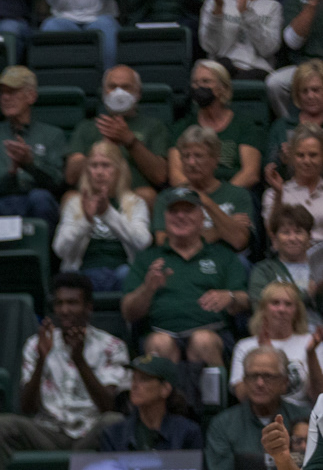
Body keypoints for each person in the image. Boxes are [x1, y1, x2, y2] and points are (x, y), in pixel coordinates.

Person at [0, 272, 129, 470]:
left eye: (72, 303)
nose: (64, 310)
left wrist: (79, 361)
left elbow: (109, 406)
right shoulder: (37, 344)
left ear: (88, 307)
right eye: (60, 303)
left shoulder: (112, 346)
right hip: (48, 433)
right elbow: (26, 408)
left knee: (114, 422)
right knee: (2, 425)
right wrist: (41, 360)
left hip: (89, 434)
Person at [123, 188, 249, 368]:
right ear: (165, 218)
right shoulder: (147, 258)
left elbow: (247, 300)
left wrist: (230, 296)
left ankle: (214, 396)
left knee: (203, 341)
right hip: (159, 333)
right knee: (160, 343)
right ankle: (162, 396)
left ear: (202, 218)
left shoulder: (224, 256)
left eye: (188, 211)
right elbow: (128, 311)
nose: (180, 216)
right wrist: (147, 289)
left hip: (213, 333)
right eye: (174, 211)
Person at [0, 65, 66, 227]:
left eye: (12, 92)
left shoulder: (53, 135)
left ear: (31, 97)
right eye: (2, 93)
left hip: (32, 202)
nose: (5, 98)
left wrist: (30, 164)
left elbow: (58, 182)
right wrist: (9, 174)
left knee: (41, 198)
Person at [206, 345, 310, 470]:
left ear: (284, 382)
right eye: (253, 376)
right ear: (245, 381)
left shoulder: (307, 420)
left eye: (268, 376)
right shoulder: (223, 425)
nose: (260, 383)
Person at [55, 140, 153, 292]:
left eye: (106, 165)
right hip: (82, 273)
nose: (99, 172)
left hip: (122, 272)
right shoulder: (75, 204)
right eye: (94, 166)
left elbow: (143, 243)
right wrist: (85, 221)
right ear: (88, 170)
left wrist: (108, 213)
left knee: (126, 275)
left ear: (119, 170)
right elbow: (60, 249)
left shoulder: (135, 203)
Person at [65, 66, 170, 206]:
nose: (118, 92)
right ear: (103, 93)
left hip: (132, 197)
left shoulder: (154, 127)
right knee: (70, 198)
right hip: (93, 197)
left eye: (126, 87)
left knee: (147, 196)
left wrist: (131, 142)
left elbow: (160, 177)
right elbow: (71, 177)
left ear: (138, 93)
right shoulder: (87, 127)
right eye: (112, 87)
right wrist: (103, 145)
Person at [156, 126, 255, 257]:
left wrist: (206, 201)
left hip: (225, 264)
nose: (191, 162)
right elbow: (164, 243)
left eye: (198, 155)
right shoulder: (168, 198)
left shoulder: (238, 194)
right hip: (182, 264)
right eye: (186, 156)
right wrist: (219, 231)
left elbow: (239, 241)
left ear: (215, 159)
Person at [169, 60, 264, 191]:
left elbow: (250, 174)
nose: (199, 87)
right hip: (193, 196)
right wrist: (198, 199)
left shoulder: (244, 125)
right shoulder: (183, 126)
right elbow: (176, 175)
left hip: (234, 193)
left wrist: (221, 197)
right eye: (195, 83)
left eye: (206, 82)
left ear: (222, 88)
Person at [231, 280, 321, 406]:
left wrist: (311, 355)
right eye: (275, 303)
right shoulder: (245, 346)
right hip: (261, 415)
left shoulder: (312, 343)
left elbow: (318, 397)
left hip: (301, 417)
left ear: (297, 311)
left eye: (288, 304)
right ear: (263, 309)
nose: (281, 309)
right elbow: (242, 396)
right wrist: (263, 355)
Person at [201, 0, 283, 81]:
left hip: (257, 70)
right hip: (222, 70)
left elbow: (268, 49)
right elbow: (210, 47)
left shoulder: (271, 6)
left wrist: (247, 13)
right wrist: (218, 11)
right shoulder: (213, 3)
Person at [98, 352, 204, 451]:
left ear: (165, 389)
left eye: (144, 379)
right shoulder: (114, 434)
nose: (135, 385)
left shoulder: (187, 433)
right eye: (134, 379)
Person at [265, 0, 323, 117]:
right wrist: (314, 0)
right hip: (305, 65)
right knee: (275, 83)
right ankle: (291, 126)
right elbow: (292, 41)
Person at [250, 204, 319, 316]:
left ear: (309, 237)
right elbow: (260, 311)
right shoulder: (263, 271)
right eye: (286, 232)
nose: (292, 238)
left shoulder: (319, 267)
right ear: (274, 239)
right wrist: (305, 295)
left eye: (298, 232)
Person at [263, 123, 323, 236]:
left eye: (313, 155)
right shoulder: (273, 194)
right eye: (300, 155)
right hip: (290, 253)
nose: (306, 161)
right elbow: (273, 236)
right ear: (291, 157)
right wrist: (279, 194)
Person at [266, 60, 323, 178]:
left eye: (316, 90)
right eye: (304, 91)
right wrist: (282, 161)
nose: (310, 96)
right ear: (297, 94)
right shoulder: (282, 126)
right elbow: (268, 171)